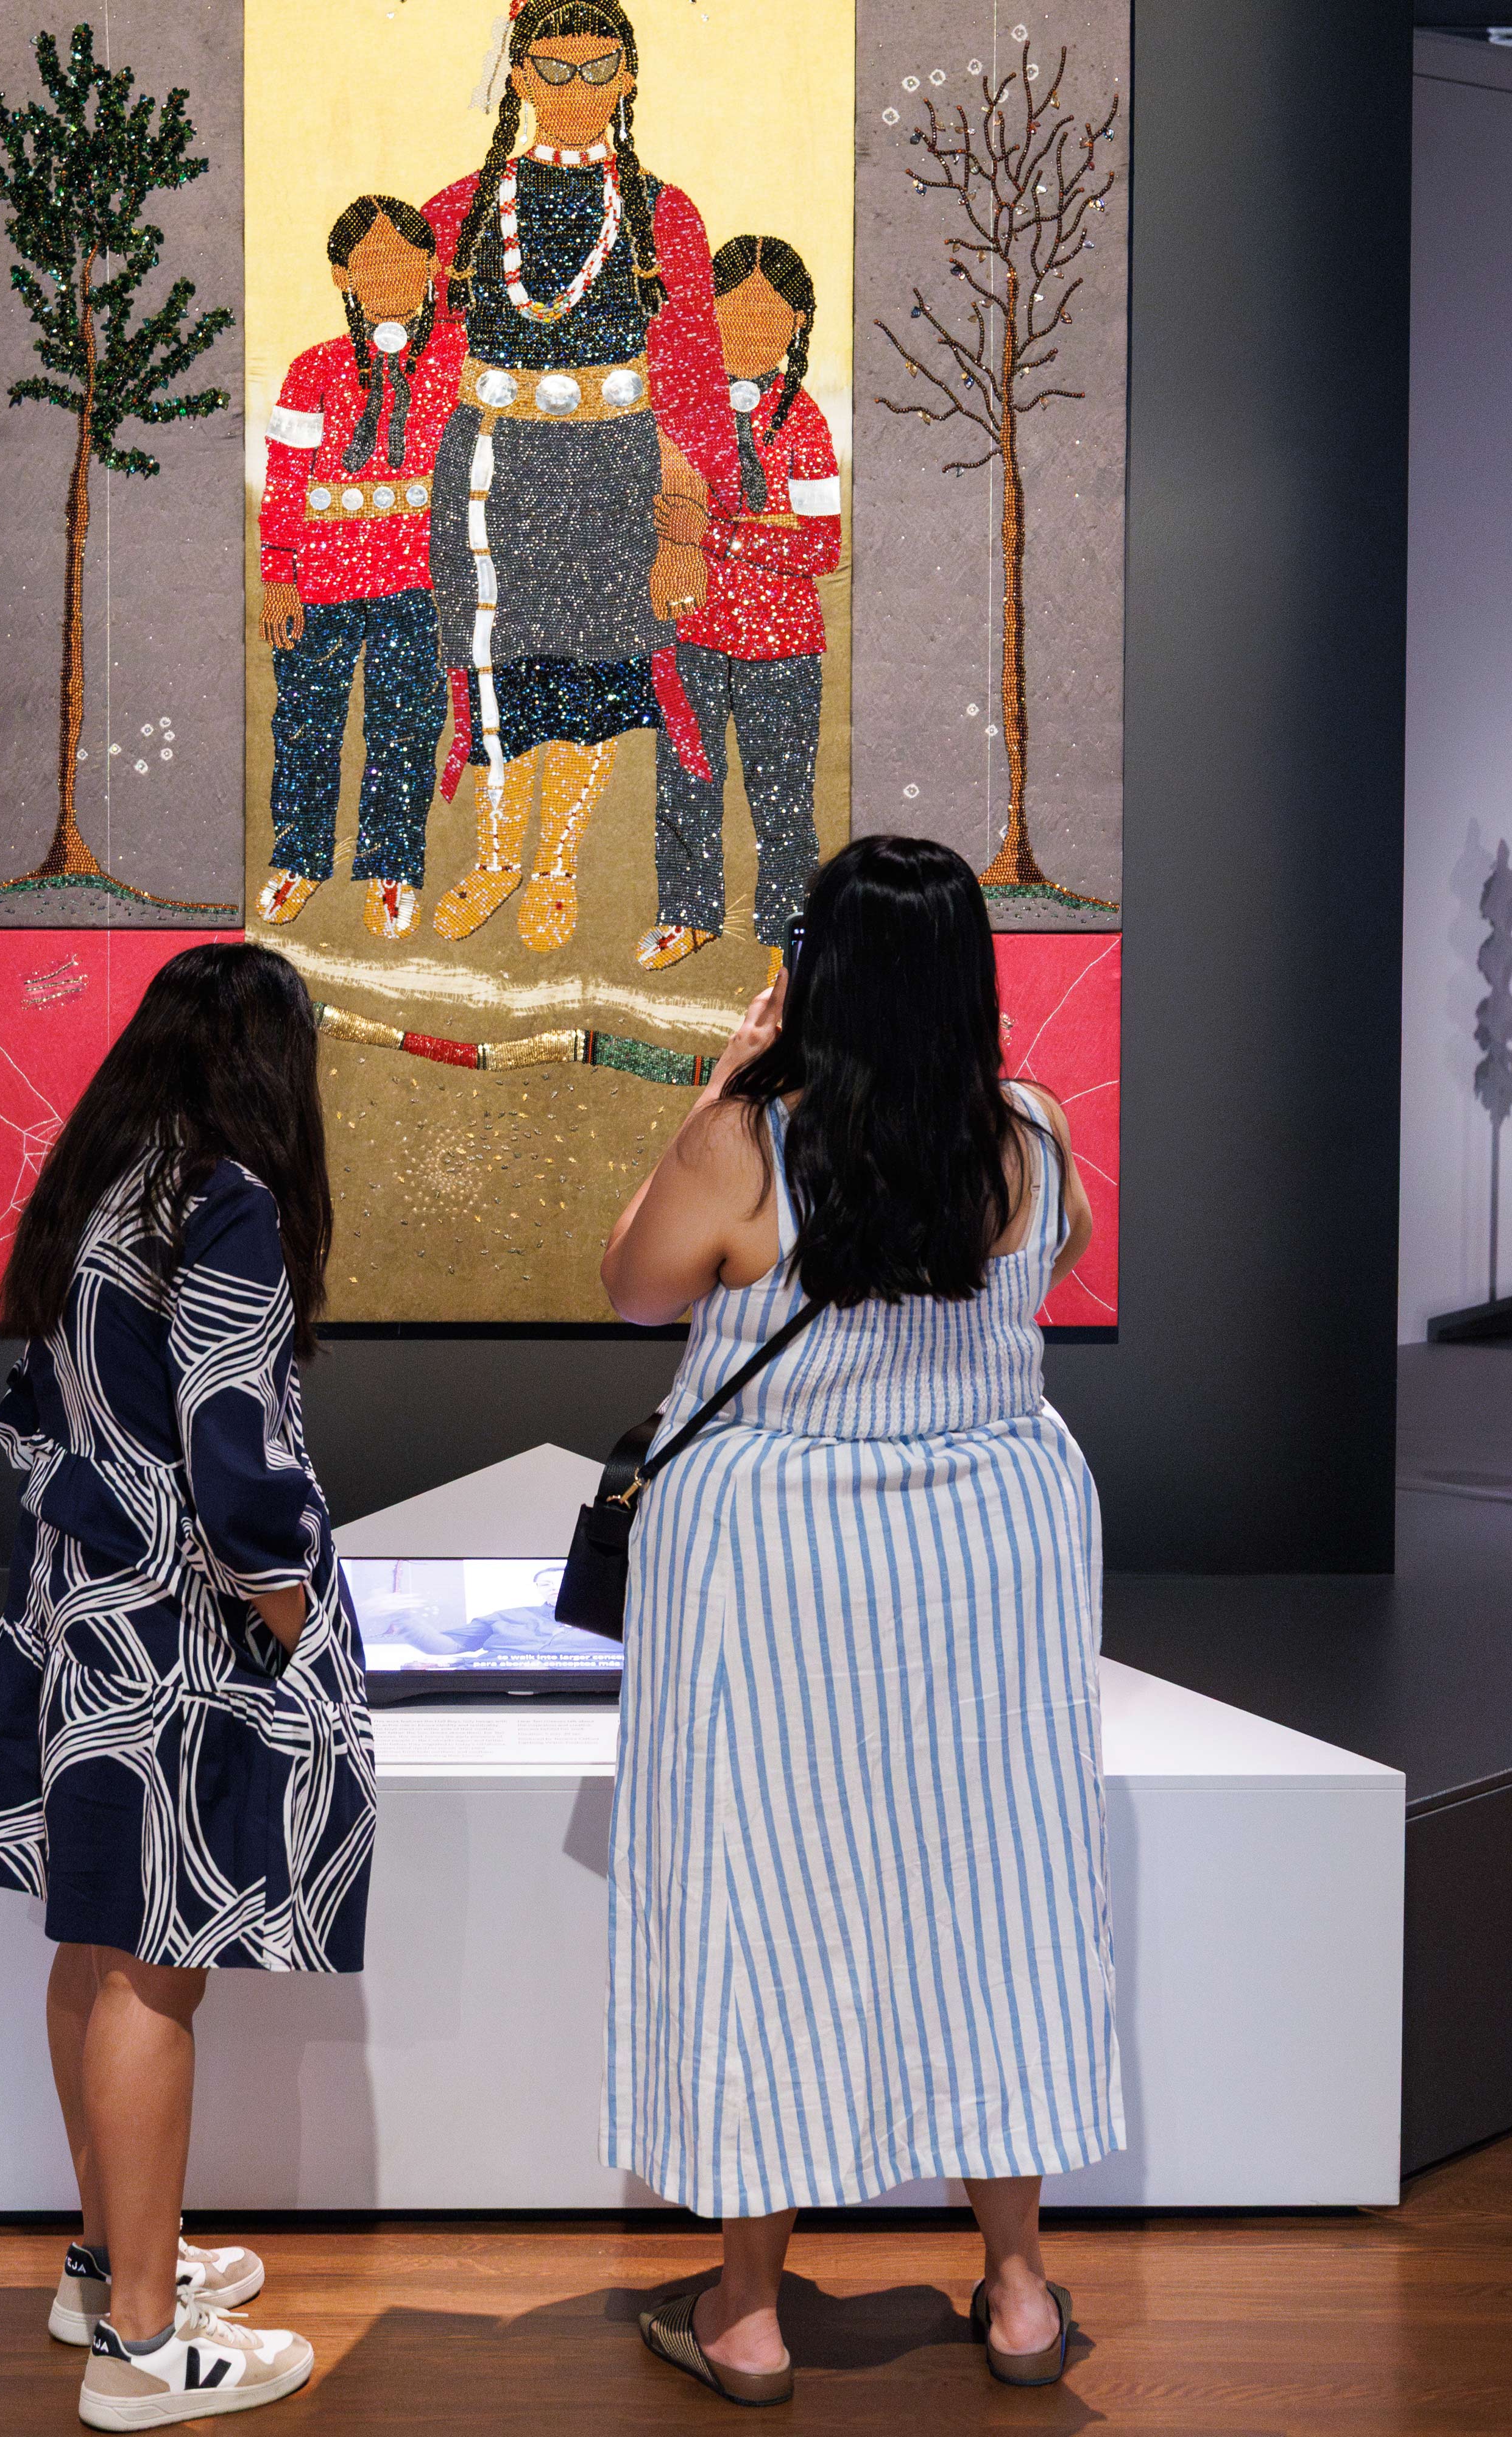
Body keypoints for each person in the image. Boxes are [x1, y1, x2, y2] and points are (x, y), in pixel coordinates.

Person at [598, 837, 1122, 2405]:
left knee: (766, 1896)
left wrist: (719, 1081)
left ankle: (748, 2311)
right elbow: (1063, 1259)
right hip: (991, 1546)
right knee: (999, 1891)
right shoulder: (1025, 1136)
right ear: (970, 974)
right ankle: (1019, 2290)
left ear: (816, 965)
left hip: (772, 1559)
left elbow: (634, 1287)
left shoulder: (751, 1142)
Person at [0, 943, 374, 2429]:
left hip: (81, 1608)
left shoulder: (98, 1189)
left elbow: (24, 1420)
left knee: (94, 1945)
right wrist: (289, 1595)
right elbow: (232, 1429)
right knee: (153, 1964)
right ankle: (140, 2345)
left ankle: (106, 2269)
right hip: (186, 1634)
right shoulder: (226, 1198)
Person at [421, 0, 741, 953]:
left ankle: (556, 864)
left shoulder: (662, 212)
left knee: (593, 679)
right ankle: (494, 856)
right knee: (496, 670)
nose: (575, 93)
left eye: (598, 69)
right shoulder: (461, 207)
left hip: (614, 468)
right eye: (552, 72)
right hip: (490, 466)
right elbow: (420, 364)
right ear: (518, 78)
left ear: (629, 78)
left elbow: (687, 378)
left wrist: (682, 534)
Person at [256, 197, 462, 941]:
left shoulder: (462, 359)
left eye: (403, 260)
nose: (388, 276)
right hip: (322, 582)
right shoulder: (312, 369)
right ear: (342, 272)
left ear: (431, 266)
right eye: (370, 261)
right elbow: (285, 476)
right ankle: (300, 856)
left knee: (404, 729)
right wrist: (278, 572)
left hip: (422, 583)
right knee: (306, 726)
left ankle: (391, 867)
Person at [637, 235, 841, 975]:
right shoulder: (678, 415)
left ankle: (787, 933)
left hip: (783, 646)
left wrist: (718, 534)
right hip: (690, 630)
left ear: (797, 326)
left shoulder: (805, 423)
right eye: (734, 313)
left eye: (770, 316)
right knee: (686, 780)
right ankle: (686, 912)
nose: (751, 331)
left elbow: (821, 548)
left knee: (783, 796)